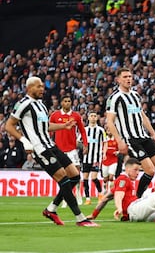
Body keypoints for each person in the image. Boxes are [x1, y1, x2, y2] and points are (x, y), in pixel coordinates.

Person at [5, 76, 98, 227]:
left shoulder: (41, 105)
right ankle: (80, 218)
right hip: (40, 149)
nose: (42, 89)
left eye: (42, 86)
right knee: (63, 178)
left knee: (74, 176)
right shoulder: (23, 104)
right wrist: (24, 141)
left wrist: (63, 126)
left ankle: (51, 209)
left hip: (52, 146)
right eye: (38, 86)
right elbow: (9, 125)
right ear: (29, 88)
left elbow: (45, 126)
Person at [106, 67, 155, 198]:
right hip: (131, 139)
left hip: (144, 136)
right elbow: (110, 122)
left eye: (130, 76)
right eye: (125, 77)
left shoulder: (135, 95)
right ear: (118, 80)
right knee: (150, 170)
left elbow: (142, 116)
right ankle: (137, 200)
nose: (128, 79)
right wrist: (119, 141)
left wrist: (153, 133)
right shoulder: (115, 98)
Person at [50, 94, 88, 206]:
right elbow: (48, 129)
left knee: (76, 173)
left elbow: (82, 131)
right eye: (65, 101)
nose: (67, 103)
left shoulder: (76, 116)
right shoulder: (55, 115)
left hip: (72, 149)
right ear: (61, 103)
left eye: (69, 101)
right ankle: (65, 197)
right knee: (63, 175)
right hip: (59, 150)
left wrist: (85, 144)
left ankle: (79, 194)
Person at [82, 111, 106, 205]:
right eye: (91, 116)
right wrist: (83, 148)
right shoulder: (84, 130)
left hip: (96, 158)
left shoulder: (101, 130)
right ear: (88, 118)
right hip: (85, 158)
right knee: (85, 178)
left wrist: (104, 152)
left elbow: (105, 142)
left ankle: (100, 194)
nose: (93, 117)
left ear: (97, 118)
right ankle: (88, 199)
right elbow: (78, 141)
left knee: (94, 178)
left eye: (94, 116)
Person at [101, 126, 119, 194]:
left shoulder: (116, 140)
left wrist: (117, 152)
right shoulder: (104, 140)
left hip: (114, 160)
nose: (109, 131)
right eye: (108, 129)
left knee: (111, 177)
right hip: (105, 160)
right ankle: (105, 187)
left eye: (110, 129)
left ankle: (110, 191)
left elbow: (119, 149)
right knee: (105, 178)